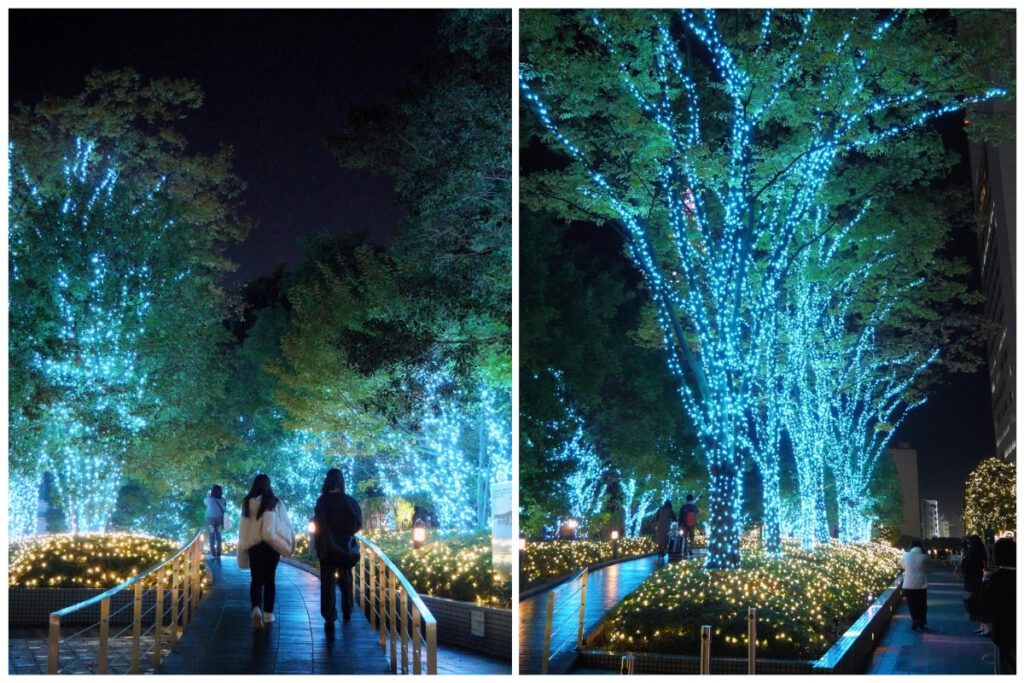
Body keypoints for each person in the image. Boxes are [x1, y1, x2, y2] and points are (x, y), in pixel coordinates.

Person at [237, 474, 295, 631]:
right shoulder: (275, 502)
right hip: (272, 546)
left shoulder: (247, 502)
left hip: (254, 546)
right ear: (269, 486)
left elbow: (243, 526)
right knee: (270, 579)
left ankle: (256, 607)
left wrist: (244, 544)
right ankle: (268, 614)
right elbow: (284, 523)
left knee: (256, 578)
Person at [314, 468, 363, 630]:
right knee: (346, 578)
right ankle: (347, 609)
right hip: (345, 547)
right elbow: (357, 524)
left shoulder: (322, 502)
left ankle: (329, 617)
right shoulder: (350, 502)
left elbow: (318, 524)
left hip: (327, 547)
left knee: (327, 581)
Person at [983, 537, 1016, 674]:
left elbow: (987, 603)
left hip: (1004, 631)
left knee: (1006, 667)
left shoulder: (997, 577)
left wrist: (985, 579)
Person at [964, 534, 992, 636]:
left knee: (978, 603)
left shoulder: (972, 553)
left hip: (974, 580)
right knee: (979, 602)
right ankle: (983, 626)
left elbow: (967, 566)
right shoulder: (981, 552)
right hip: (979, 579)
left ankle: (986, 627)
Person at [902, 539, 929, 631]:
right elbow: (926, 568)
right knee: (922, 604)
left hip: (909, 584)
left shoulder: (906, 556)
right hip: (921, 584)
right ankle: (921, 622)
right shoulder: (924, 557)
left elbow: (903, 566)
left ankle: (915, 620)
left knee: (912, 604)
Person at [204, 485, 227, 559]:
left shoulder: (209, 499)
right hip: (219, 520)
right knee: (219, 536)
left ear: (212, 491)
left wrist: (208, 495)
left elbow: (205, 503)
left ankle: (213, 554)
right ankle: (219, 553)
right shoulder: (223, 500)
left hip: (210, 520)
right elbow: (224, 508)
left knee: (212, 536)